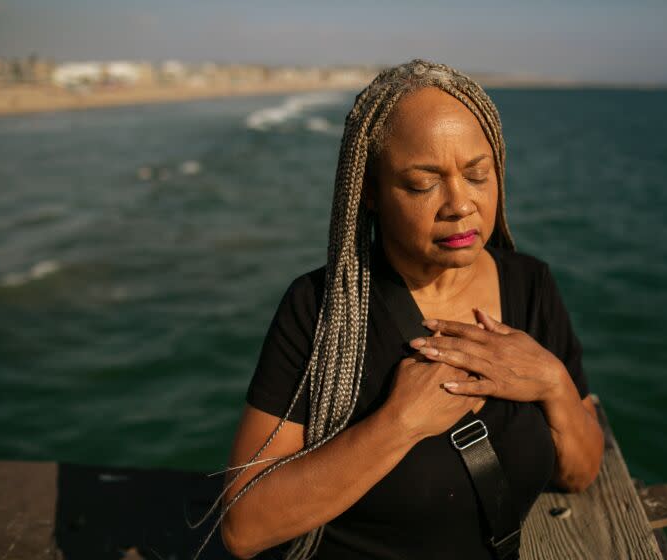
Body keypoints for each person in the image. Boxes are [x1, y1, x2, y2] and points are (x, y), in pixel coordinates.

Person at [193, 59, 604, 560]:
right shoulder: (319, 309)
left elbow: (580, 473)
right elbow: (244, 526)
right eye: (422, 184)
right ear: (369, 191)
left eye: (478, 175)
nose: (460, 204)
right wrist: (399, 423)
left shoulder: (529, 283)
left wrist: (553, 382)